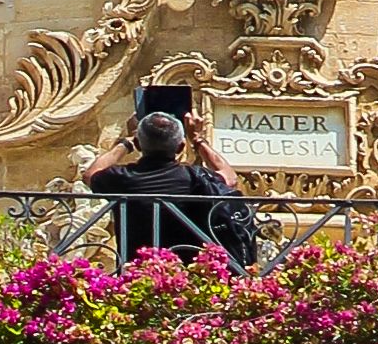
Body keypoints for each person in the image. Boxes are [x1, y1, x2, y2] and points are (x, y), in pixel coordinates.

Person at [81, 105, 264, 271]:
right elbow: (230, 177)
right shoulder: (195, 177)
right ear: (180, 147)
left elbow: (90, 174)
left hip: (138, 275)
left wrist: (126, 142)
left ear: (138, 144)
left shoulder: (122, 178)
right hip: (188, 276)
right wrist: (197, 139)